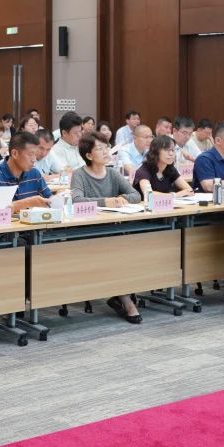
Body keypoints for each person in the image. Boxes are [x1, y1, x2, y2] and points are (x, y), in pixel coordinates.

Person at [69, 133, 145, 324]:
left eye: (106, 147)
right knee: (117, 252)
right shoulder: (79, 174)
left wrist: (121, 199)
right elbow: (76, 201)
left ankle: (123, 296)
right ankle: (126, 301)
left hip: (113, 230)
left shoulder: (112, 173)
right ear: (89, 155)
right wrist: (105, 201)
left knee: (131, 249)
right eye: (100, 148)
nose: (105, 151)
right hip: (88, 232)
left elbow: (136, 195)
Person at [0, 131, 53, 213]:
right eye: (30, 154)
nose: (34, 159)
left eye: (35, 154)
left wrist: (58, 198)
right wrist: (27, 203)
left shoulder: (34, 173)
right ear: (15, 153)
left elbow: (49, 200)